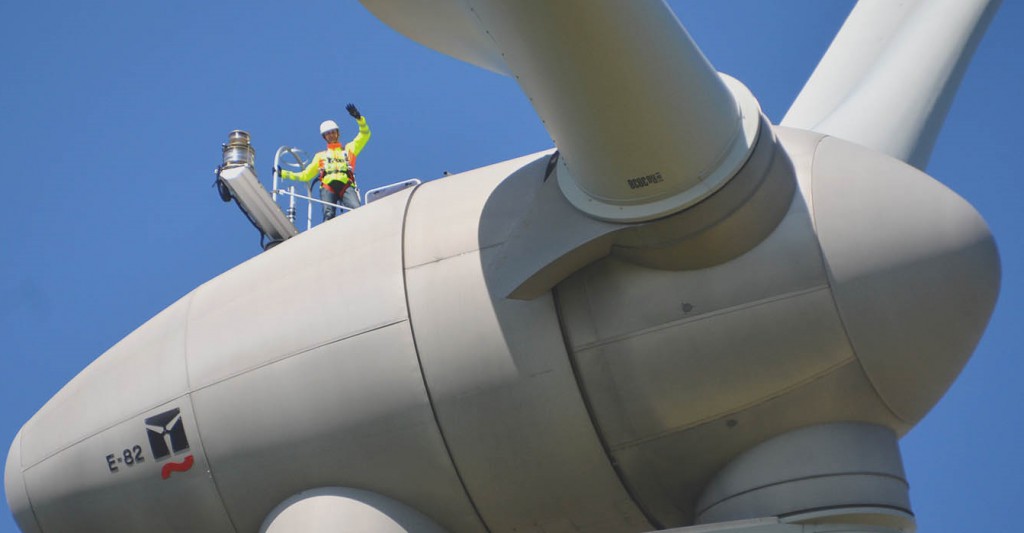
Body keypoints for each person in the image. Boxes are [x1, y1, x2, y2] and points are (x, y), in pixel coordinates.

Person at [279, 103, 370, 221]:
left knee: (357, 209)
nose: (331, 135)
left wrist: (359, 119)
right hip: (328, 186)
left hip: (346, 185)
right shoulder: (320, 156)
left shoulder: (349, 149)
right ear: (324, 137)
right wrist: (284, 173)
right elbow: (305, 175)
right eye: (328, 134)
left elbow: (365, 135)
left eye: (332, 132)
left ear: (337, 133)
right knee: (328, 216)